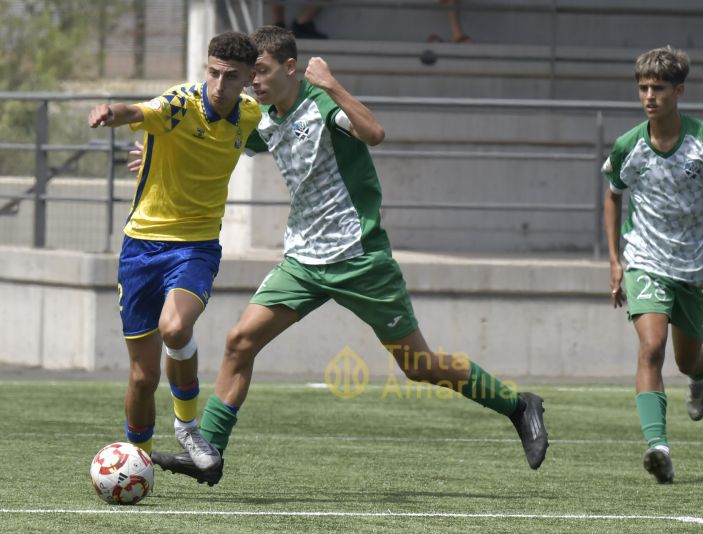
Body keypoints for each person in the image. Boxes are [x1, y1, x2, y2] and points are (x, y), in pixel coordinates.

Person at [149, 25, 548, 486]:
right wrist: (160, 153)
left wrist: (332, 84)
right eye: (250, 74)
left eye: (261, 71)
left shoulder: (322, 106)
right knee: (240, 341)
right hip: (302, 263)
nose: (253, 81)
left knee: (419, 366)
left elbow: (374, 133)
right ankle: (210, 454)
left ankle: (519, 405)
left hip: (360, 259)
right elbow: (217, 140)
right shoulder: (261, 118)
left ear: (291, 68)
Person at [87, 32, 261, 472]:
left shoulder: (251, 114)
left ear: (248, 79)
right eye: (213, 73)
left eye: (231, 77)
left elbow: (262, 133)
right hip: (141, 246)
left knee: (176, 328)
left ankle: (186, 427)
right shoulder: (179, 104)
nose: (219, 85)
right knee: (142, 378)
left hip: (197, 246)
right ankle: (137, 462)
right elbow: (141, 111)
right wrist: (113, 112)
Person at [602, 46, 703, 484]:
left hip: (697, 265)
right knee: (651, 348)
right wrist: (614, 261)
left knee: (686, 361)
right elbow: (612, 194)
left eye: (659, 88)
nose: (649, 96)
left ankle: (701, 376)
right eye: (643, 87)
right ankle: (658, 447)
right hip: (645, 259)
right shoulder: (629, 144)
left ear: (678, 91)